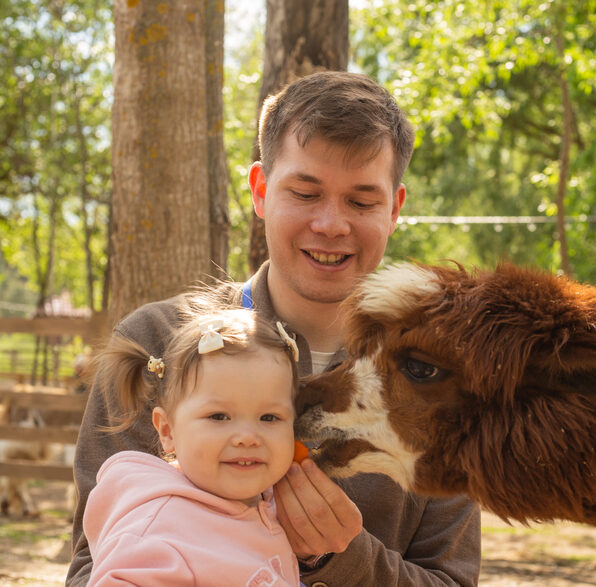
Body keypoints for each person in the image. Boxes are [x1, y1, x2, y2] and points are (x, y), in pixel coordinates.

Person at [67, 71, 481, 586]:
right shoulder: (155, 340)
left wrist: (344, 560)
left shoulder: (444, 373)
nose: (331, 224)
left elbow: (451, 579)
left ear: (394, 209)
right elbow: (92, 565)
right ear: (261, 191)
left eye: (361, 201)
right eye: (305, 193)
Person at [83, 305, 301, 585]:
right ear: (167, 430)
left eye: (269, 417)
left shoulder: (276, 506)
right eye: (219, 417)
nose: (247, 437)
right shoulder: (159, 530)